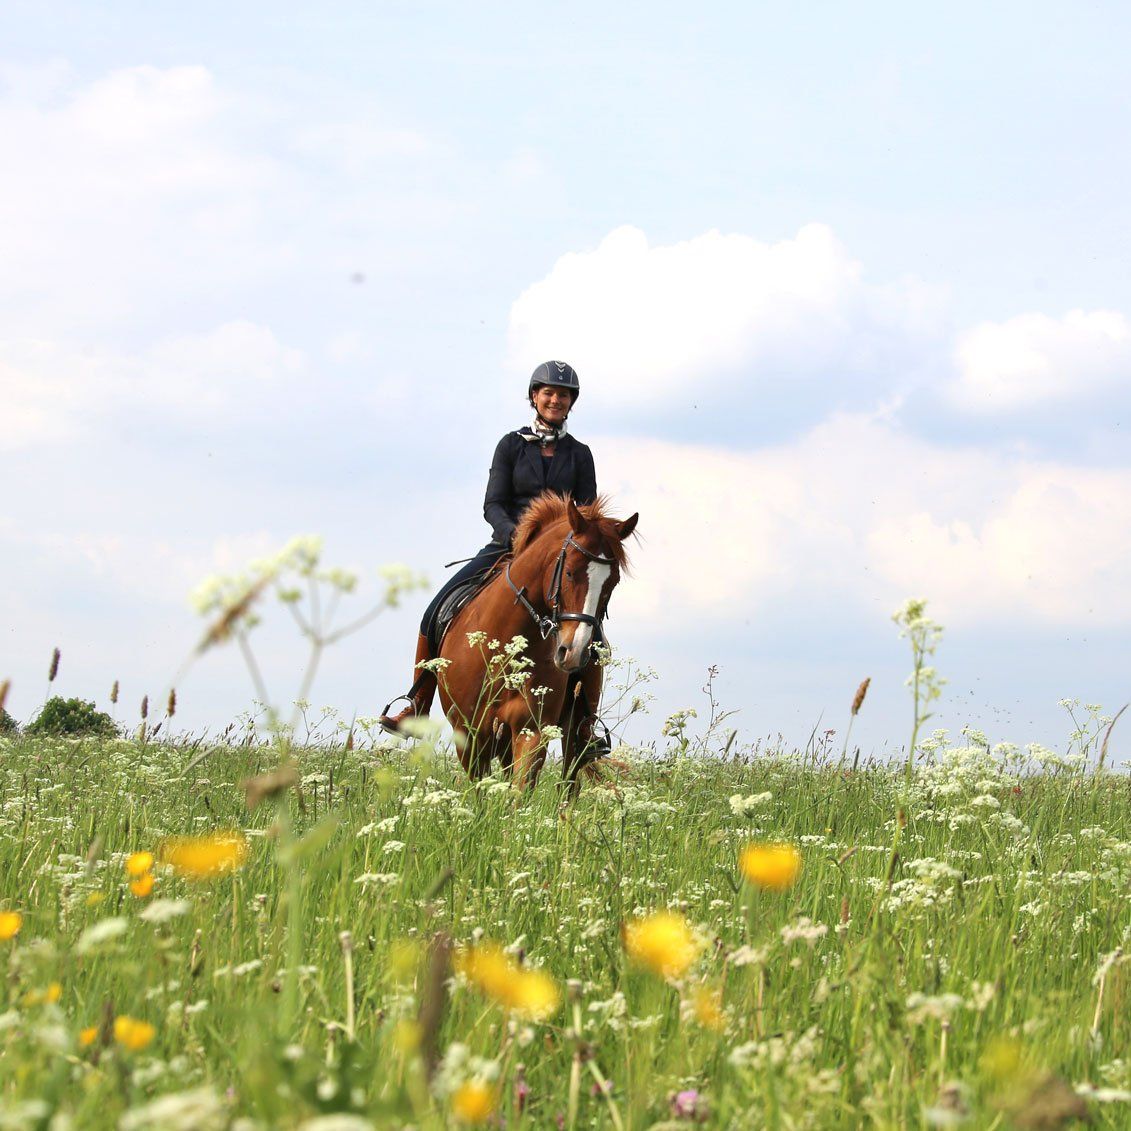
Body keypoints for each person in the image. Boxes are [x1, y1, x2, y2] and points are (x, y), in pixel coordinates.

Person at [379, 360, 598, 732]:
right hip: (507, 545)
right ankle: (417, 702)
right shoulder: (510, 445)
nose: (555, 400)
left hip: (560, 558)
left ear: (571, 403)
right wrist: (516, 536)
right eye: (548, 393)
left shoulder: (580, 454)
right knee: (437, 609)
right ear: (534, 397)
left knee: (592, 633)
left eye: (563, 395)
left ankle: (586, 725)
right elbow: (493, 504)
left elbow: (587, 512)